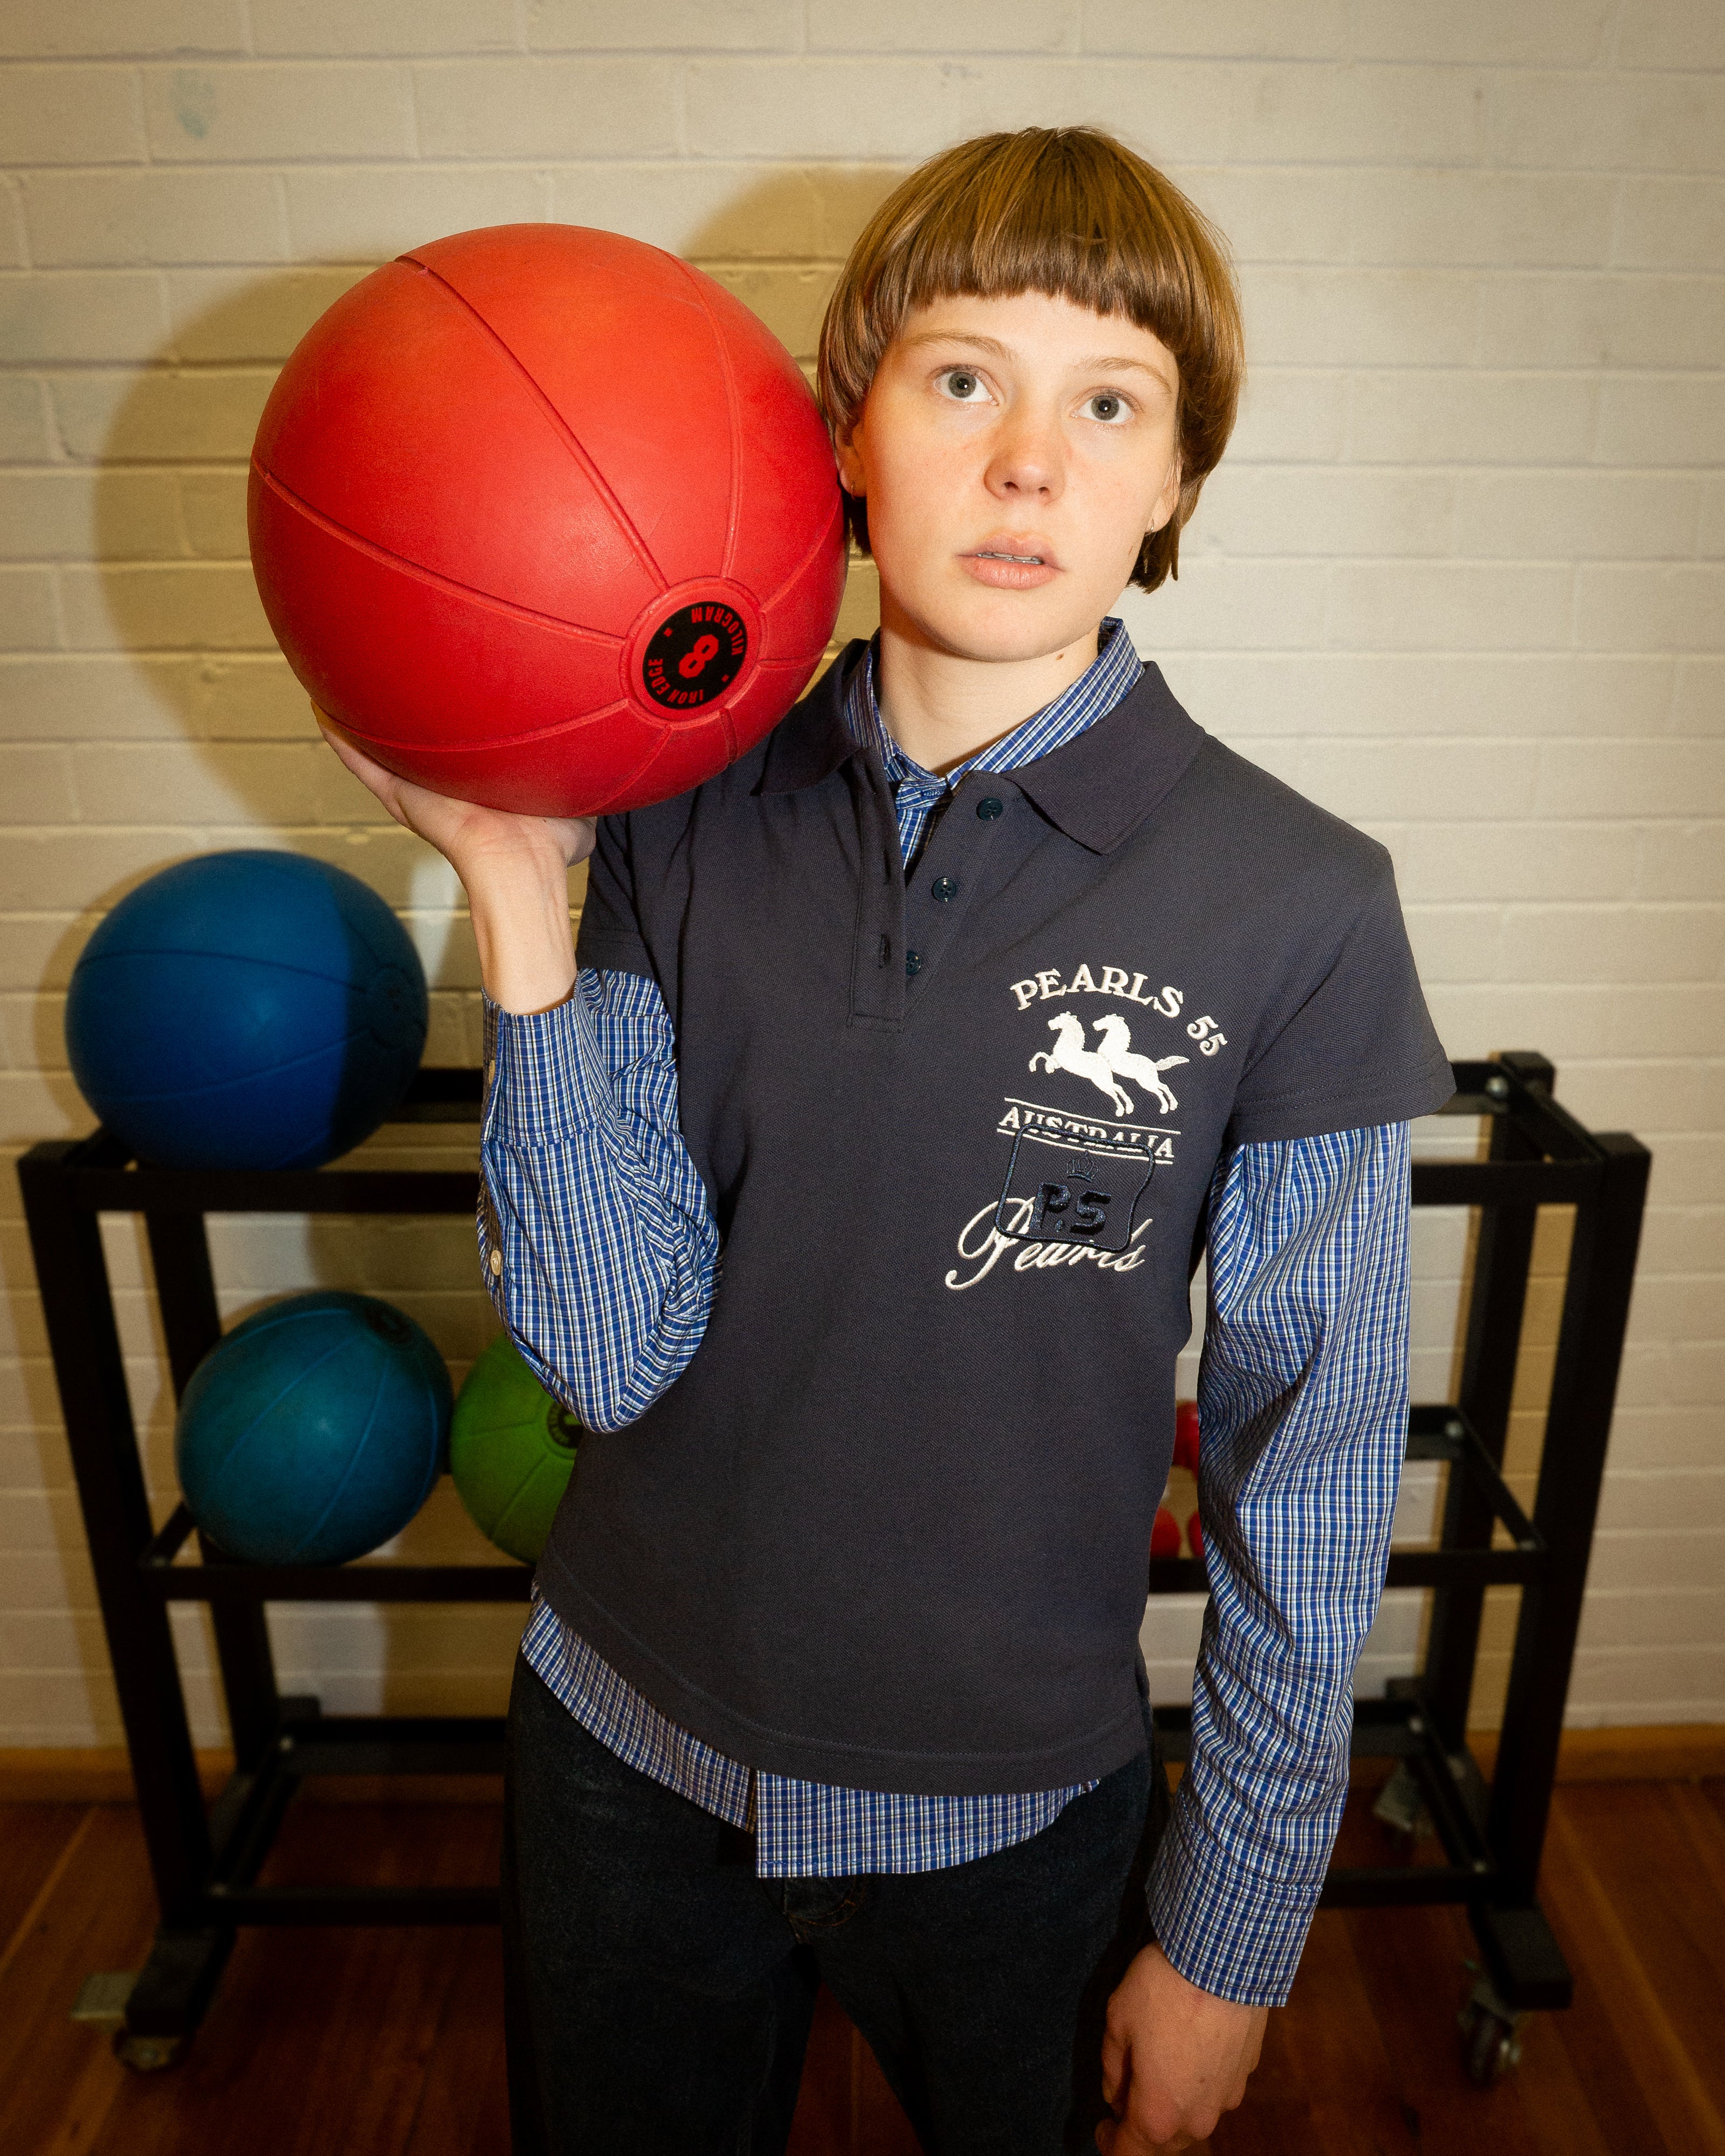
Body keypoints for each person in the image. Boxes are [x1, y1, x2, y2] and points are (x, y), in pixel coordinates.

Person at [322, 127, 1453, 2155]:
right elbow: (609, 1356)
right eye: (962, 379)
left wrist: (1235, 1933)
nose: (1028, 465)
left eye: (1109, 405)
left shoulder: (1301, 903)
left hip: (1013, 1818)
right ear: (845, 429)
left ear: (1176, 481)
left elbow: (1314, 1459)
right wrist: (513, 884)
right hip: (622, 1752)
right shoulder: (673, 812)